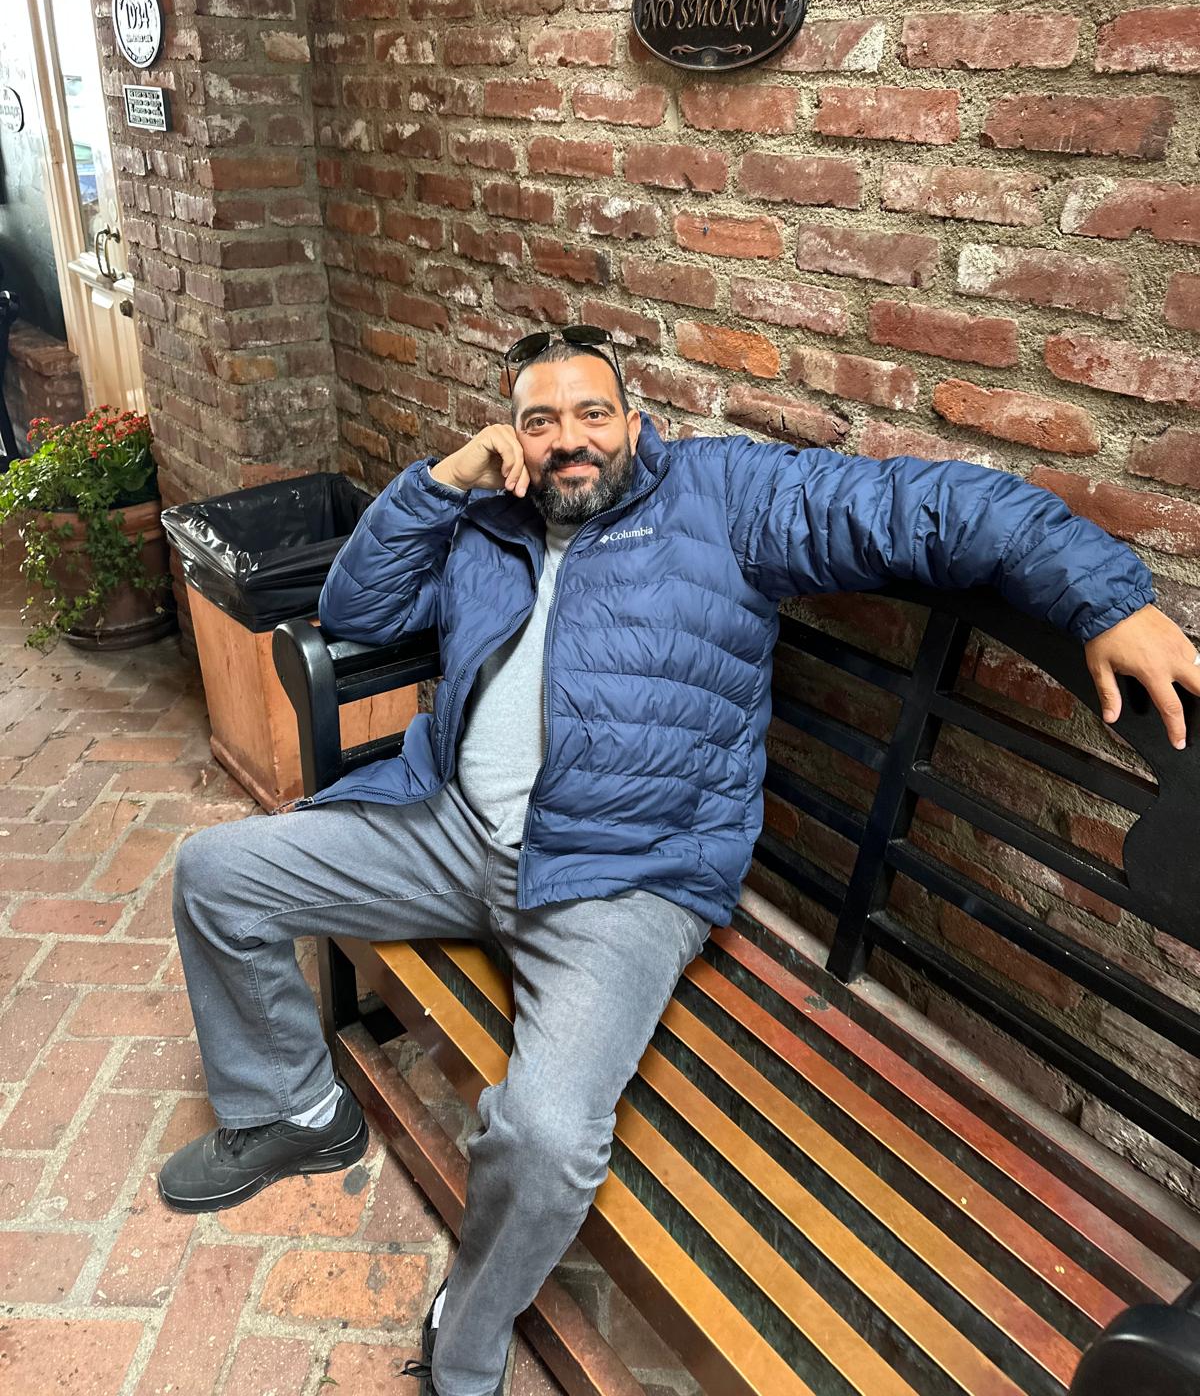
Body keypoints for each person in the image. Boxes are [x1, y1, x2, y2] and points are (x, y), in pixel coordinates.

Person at [158, 326, 1200, 1396]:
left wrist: (1104, 598)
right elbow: (355, 609)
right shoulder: (486, 515)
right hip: (450, 831)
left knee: (546, 1135)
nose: (570, 440)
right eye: (540, 420)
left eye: (592, 413)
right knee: (216, 874)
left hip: (622, 880)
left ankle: (465, 1341)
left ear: (636, 419)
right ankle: (294, 1110)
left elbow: (920, 508)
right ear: (512, 437)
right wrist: (442, 480)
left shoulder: (723, 497)